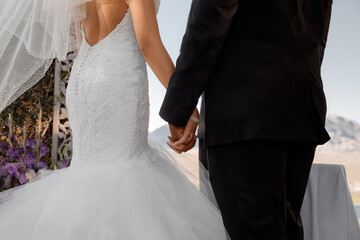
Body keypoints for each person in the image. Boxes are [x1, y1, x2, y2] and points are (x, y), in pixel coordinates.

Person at [0, 0, 228, 239]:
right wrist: (185, 109)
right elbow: (148, 43)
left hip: (83, 79)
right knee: (125, 163)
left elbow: (81, 42)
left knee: (89, 168)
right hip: (118, 76)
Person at [160, 0, 333, 239]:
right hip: (301, 106)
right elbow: (319, 30)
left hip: (244, 108)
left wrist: (179, 107)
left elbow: (212, 16)